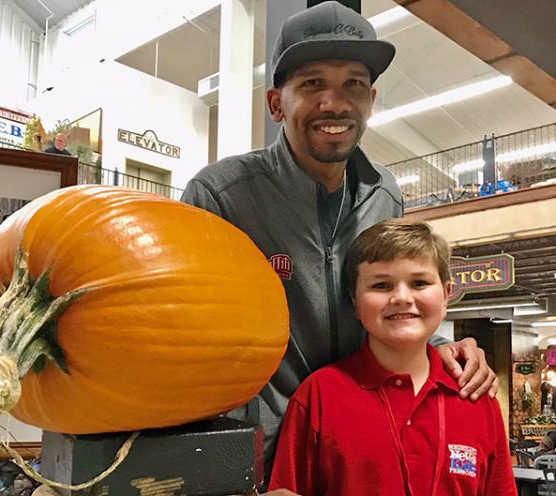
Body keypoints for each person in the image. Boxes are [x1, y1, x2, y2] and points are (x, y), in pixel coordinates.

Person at [181, 0, 497, 478]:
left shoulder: (384, 196)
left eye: (352, 83)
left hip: (356, 454)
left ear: (370, 98)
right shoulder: (221, 196)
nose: (334, 103)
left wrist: (440, 350)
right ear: (276, 103)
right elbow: (183, 338)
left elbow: (387, 299)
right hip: (255, 463)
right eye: (312, 84)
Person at [269, 219, 517, 495]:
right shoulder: (318, 397)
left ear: (446, 296)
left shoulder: (477, 397)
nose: (401, 297)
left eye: (419, 283)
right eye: (381, 286)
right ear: (355, 302)